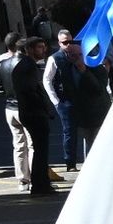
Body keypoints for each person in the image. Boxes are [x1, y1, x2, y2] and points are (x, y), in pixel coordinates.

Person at [11, 36, 54, 196]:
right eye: (39, 48)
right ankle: (39, 185)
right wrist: (44, 107)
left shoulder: (28, 65)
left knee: (40, 149)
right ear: (29, 50)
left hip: (31, 112)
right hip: (33, 113)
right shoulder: (27, 66)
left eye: (43, 47)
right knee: (40, 150)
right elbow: (30, 91)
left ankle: (42, 183)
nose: (43, 50)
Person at [0, 34, 35, 191]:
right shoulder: (25, 63)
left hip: (9, 109)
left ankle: (22, 180)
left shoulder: (2, 64)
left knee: (18, 145)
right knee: (32, 145)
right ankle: (35, 178)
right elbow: (33, 87)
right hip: (24, 107)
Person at [43, 30, 81, 171]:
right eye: (65, 42)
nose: (68, 45)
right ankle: (70, 162)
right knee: (69, 131)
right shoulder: (55, 58)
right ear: (59, 43)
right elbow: (47, 80)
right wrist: (56, 101)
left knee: (85, 128)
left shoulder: (77, 53)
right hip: (64, 100)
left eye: (70, 41)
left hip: (78, 98)